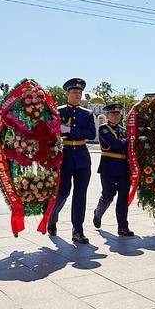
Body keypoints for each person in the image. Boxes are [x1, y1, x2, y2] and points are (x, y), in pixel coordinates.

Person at [48, 78, 96, 244]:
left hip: (82, 156)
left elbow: (91, 134)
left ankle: (78, 230)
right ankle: (52, 218)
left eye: (79, 92)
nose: (77, 95)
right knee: (63, 192)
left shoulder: (87, 113)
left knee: (80, 194)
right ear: (67, 94)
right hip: (64, 156)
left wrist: (70, 130)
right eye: (74, 92)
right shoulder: (58, 112)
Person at [92, 103, 134, 237]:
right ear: (107, 115)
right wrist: (128, 140)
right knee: (108, 195)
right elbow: (116, 145)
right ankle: (98, 213)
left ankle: (123, 227)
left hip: (123, 167)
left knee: (123, 197)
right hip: (109, 166)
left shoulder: (122, 130)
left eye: (118, 114)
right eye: (113, 114)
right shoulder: (104, 128)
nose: (116, 116)